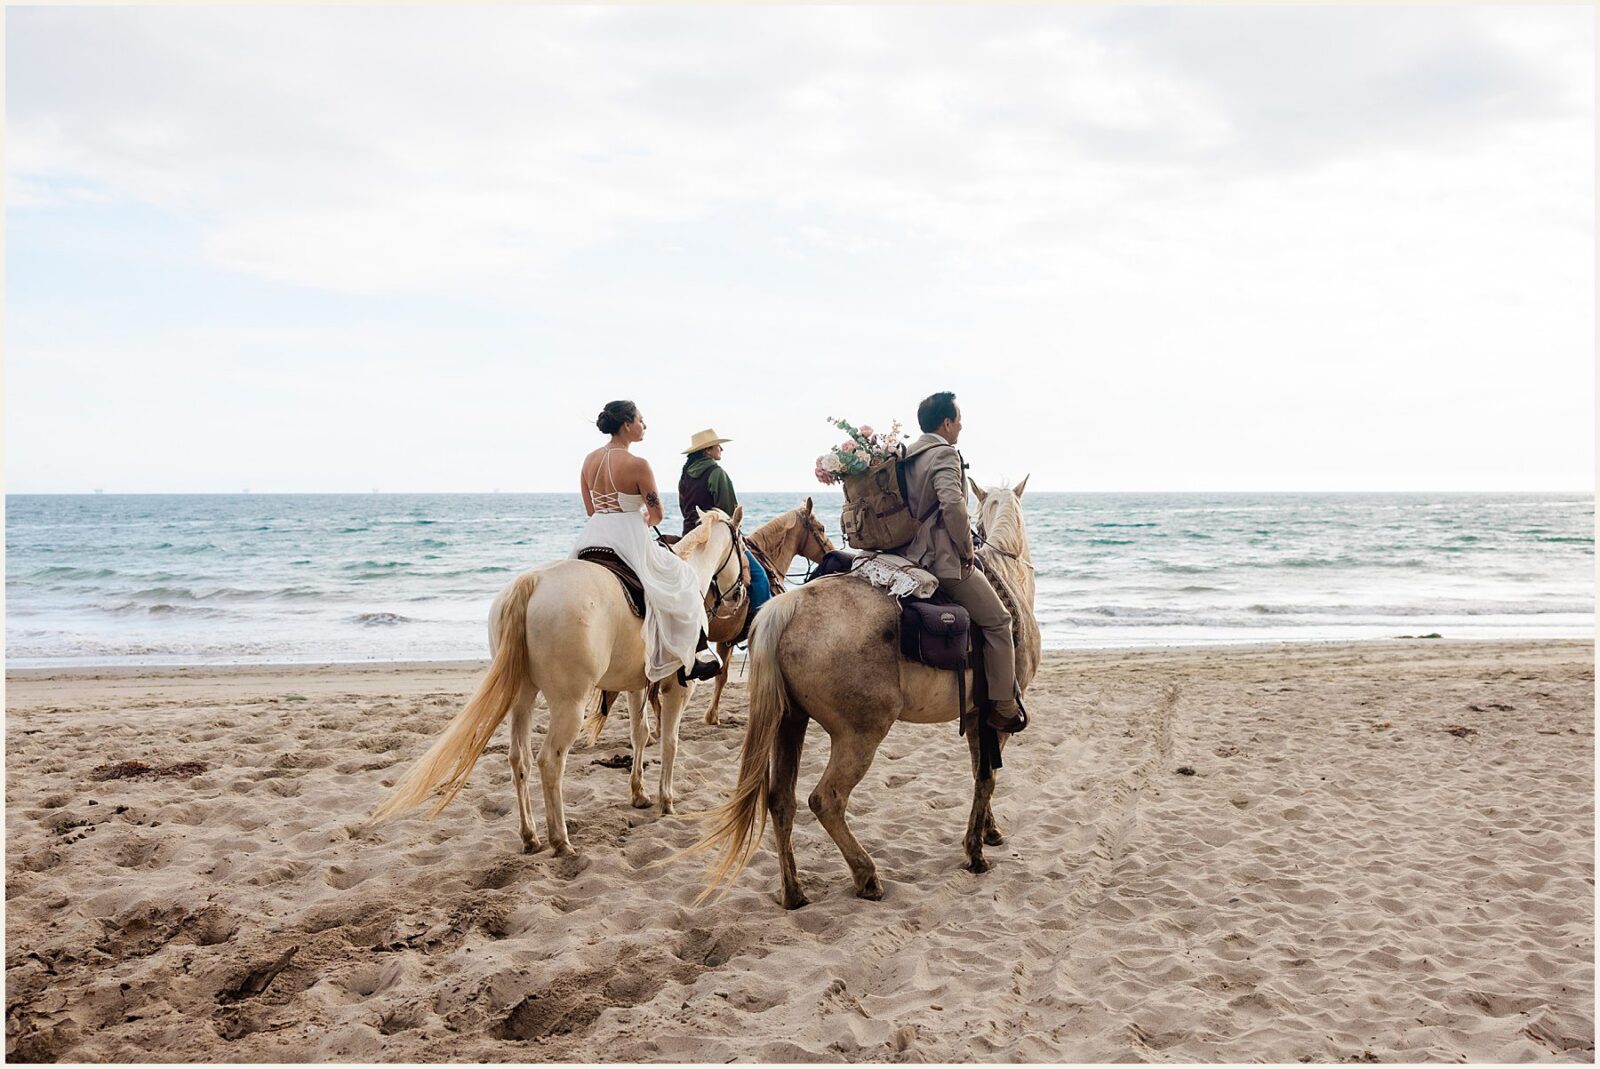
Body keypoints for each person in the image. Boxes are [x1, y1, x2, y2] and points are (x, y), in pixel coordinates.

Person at [898, 391, 1023, 732]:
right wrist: (967, 550)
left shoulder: (905, 455)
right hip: (938, 560)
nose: (962, 427)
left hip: (902, 557)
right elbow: (953, 507)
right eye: (959, 420)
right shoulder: (944, 455)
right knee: (1000, 620)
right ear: (947, 423)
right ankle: (1003, 704)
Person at [573, 401, 721, 683]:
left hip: (593, 535)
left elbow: (591, 510)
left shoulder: (588, 460)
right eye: (641, 420)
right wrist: (643, 517)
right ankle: (693, 657)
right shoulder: (638, 465)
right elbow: (657, 514)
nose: (644, 425)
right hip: (627, 534)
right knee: (683, 578)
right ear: (627, 425)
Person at [679, 427, 771, 620]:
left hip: (688, 536)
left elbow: (683, 507)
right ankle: (760, 623)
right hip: (715, 538)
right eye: (717, 446)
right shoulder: (716, 473)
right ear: (707, 451)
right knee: (760, 577)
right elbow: (730, 513)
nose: (721, 449)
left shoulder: (685, 474)